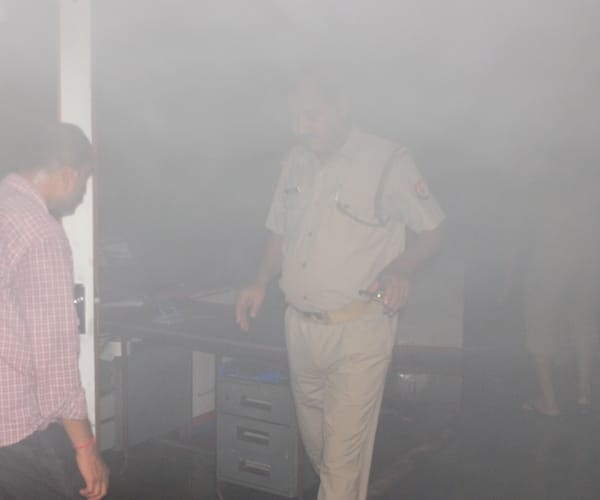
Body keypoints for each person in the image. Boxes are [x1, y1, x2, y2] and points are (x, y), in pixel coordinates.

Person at [235, 73, 445, 500]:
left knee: (340, 463)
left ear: (342, 105)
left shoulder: (387, 161)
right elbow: (279, 232)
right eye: (294, 117)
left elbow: (433, 229)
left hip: (359, 330)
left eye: (311, 115)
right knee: (322, 451)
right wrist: (259, 281)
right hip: (300, 330)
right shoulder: (295, 161)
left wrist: (402, 268)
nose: (300, 127)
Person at [0, 123, 109, 499]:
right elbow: (55, 359)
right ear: (68, 175)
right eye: (85, 178)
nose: (83, 191)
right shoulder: (40, 233)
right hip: (13, 428)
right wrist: (86, 447)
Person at [522, 164, 600, 417]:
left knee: (540, 329)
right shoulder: (586, 196)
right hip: (586, 264)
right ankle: (584, 393)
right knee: (583, 325)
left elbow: (527, 234)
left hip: (549, 265)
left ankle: (550, 402)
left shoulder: (542, 193)